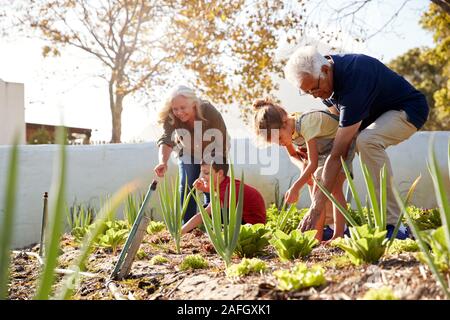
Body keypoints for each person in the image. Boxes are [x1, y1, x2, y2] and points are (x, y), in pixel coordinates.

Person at [284, 46, 429, 239]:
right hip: (372, 119)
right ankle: (330, 226)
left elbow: (338, 152)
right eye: (308, 92)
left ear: (326, 70)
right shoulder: (325, 86)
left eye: (315, 88)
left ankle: (394, 225)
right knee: (326, 167)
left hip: (408, 109)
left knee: (367, 141)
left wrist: (315, 207)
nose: (315, 95)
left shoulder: (355, 78)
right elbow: (338, 131)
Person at [252, 98, 355, 241]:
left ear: (285, 122)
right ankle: (317, 237)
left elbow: (312, 164)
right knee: (316, 189)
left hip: (340, 146)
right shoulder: (288, 131)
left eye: (280, 138)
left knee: (334, 189)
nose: (281, 144)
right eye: (277, 142)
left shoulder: (306, 123)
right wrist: (303, 169)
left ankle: (338, 234)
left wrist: (295, 187)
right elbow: (293, 155)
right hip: (323, 153)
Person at [154, 85, 229, 222]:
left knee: (212, 183)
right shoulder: (171, 116)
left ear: (194, 104)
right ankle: (187, 226)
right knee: (187, 182)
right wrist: (163, 162)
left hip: (214, 149)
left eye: (183, 108)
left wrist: (210, 169)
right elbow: (166, 139)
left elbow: (221, 139)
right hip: (188, 150)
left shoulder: (208, 111)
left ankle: (214, 224)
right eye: (175, 109)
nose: (179, 112)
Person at [181, 159, 266, 234]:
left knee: (210, 213)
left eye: (206, 173)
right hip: (248, 220)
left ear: (220, 173)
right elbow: (216, 191)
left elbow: (202, 215)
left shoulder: (226, 191)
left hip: (250, 227)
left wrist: (180, 232)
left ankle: (217, 237)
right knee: (211, 210)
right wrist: (203, 188)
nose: (202, 177)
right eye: (201, 172)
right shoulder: (226, 182)